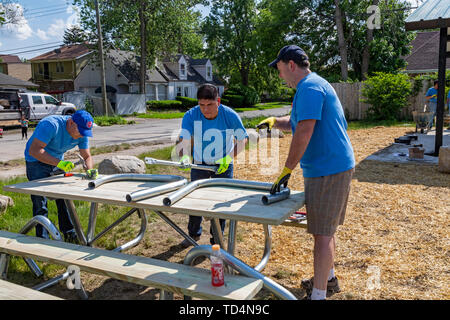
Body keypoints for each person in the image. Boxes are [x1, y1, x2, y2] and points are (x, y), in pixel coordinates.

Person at [258, 45, 355, 300]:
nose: (279, 76)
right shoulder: (308, 87)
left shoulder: (310, 87)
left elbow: (304, 131)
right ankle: (329, 279)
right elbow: (295, 123)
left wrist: (286, 170)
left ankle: (319, 295)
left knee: (322, 234)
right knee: (326, 230)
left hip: (329, 168)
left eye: (279, 69)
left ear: (291, 65)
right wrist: (273, 122)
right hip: (327, 167)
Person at [176, 84, 248, 248]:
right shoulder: (191, 115)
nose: (205, 109)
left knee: (219, 202)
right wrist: (185, 155)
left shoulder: (229, 115)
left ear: (218, 101)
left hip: (223, 164)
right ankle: (193, 234)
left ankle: (217, 239)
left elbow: (242, 139)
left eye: (210, 105)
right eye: (201, 105)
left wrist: (228, 159)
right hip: (200, 163)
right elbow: (185, 139)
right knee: (195, 200)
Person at [24, 110, 98, 243]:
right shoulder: (50, 125)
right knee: (40, 201)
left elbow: (87, 156)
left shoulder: (82, 130)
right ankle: (42, 239)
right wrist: (60, 163)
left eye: (84, 132)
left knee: (63, 198)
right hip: (35, 161)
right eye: (80, 131)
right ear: (71, 122)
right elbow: (34, 150)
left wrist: (89, 169)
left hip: (56, 160)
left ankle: (69, 233)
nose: (82, 135)